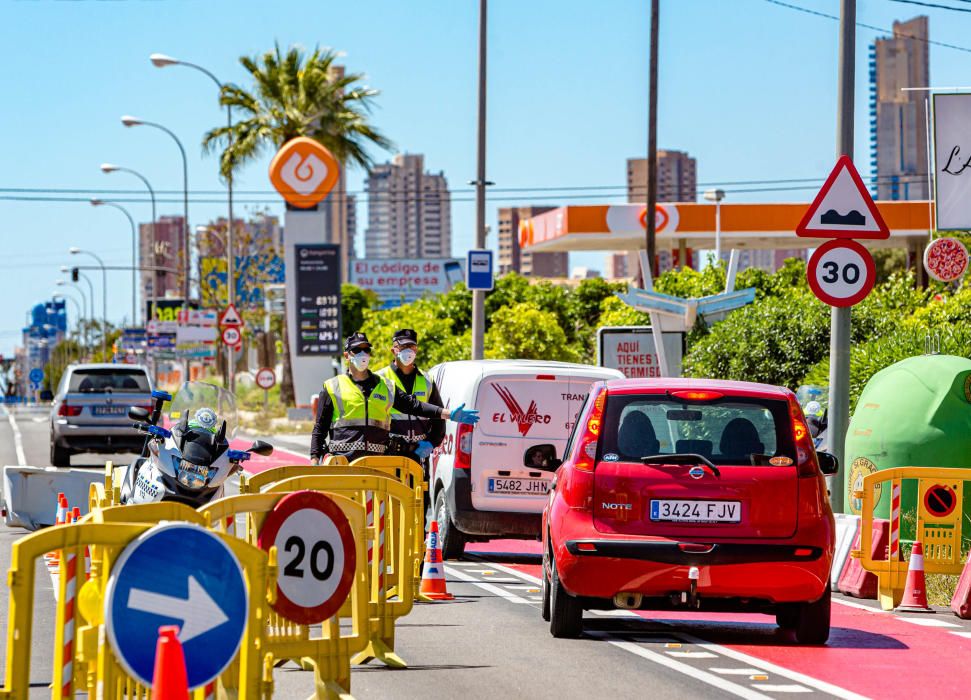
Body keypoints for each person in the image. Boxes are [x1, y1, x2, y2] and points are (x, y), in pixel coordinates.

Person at [310, 332, 478, 464]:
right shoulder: (332, 386)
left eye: (366, 350)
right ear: (347, 356)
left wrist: (449, 414)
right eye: (357, 350)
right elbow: (320, 429)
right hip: (343, 462)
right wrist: (315, 459)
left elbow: (414, 406)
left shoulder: (386, 386)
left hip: (379, 463)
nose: (363, 354)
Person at [376, 329, 445, 463]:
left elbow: (438, 417)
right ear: (393, 350)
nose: (408, 351)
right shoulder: (381, 379)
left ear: (417, 350)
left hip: (419, 453)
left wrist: (431, 442)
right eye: (403, 347)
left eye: (412, 347)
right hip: (389, 452)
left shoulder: (426, 380)